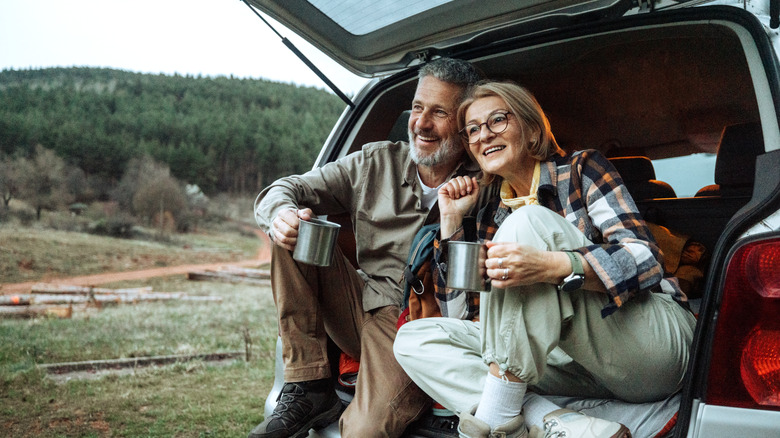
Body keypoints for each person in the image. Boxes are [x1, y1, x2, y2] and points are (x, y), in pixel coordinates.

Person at [393, 81, 697, 438]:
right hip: (573, 368)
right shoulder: (490, 212)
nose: (483, 135)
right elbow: (467, 320)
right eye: (473, 129)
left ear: (532, 128)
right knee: (414, 340)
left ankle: (495, 417)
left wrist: (553, 266)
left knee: (528, 222)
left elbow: (645, 258)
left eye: (497, 121)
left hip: (648, 348)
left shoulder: (581, 170)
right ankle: (554, 420)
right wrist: (452, 222)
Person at [249, 58, 484, 438]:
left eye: (439, 112)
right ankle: (309, 385)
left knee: (364, 431)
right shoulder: (375, 161)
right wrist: (281, 215)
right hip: (358, 301)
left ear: (465, 124)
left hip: (415, 328)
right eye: (418, 107)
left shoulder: (486, 183)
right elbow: (284, 188)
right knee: (293, 230)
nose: (422, 123)